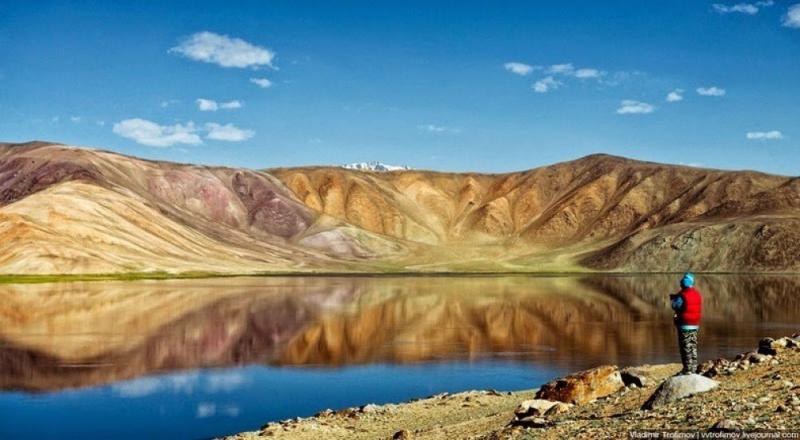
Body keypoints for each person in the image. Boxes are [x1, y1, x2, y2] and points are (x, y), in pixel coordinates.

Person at [670, 272, 703, 375]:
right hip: (695, 324)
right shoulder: (697, 294)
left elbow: (675, 306)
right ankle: (693, 367)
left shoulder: (682, 295)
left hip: (684, 324)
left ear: (683, 284)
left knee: (685, 347)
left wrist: (675, 298)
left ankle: (687, 369)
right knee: (693, 346)